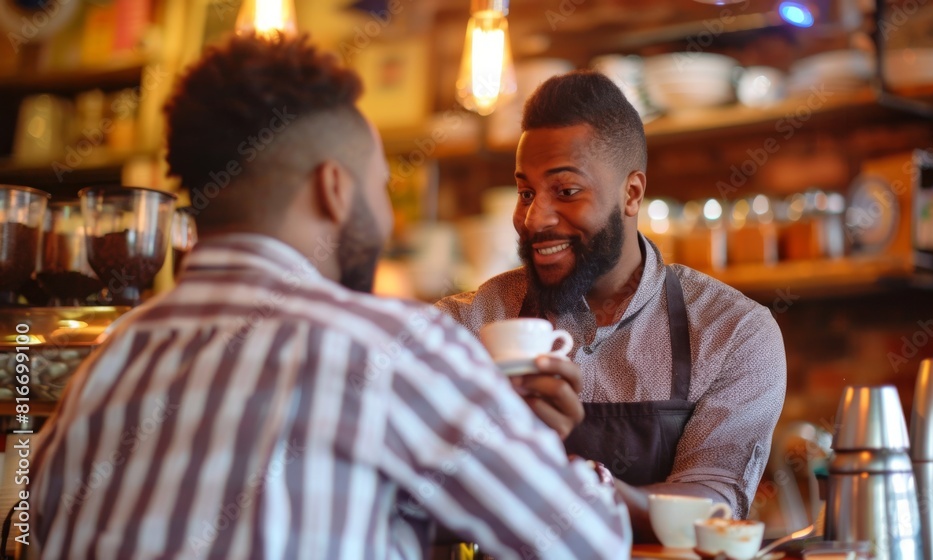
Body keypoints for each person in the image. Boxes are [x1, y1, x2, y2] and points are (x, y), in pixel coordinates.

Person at [27, 37, 630, 559]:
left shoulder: (107, 362)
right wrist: (522, 444)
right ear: (334, 189)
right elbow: (588, 542)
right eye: (378, 191)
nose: (387, 227)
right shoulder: (387, 344)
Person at [436, 70, 787, 542]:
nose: (533, 218)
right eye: (525, 192)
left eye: (566, 191)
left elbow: (712, 500)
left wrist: (579, 485)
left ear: (632, 192)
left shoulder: (732, 332)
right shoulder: (463, 323)